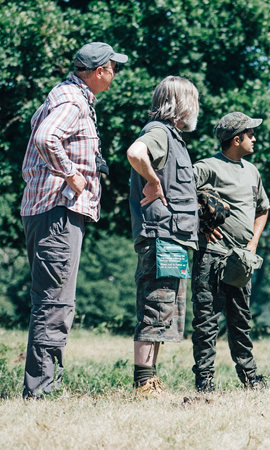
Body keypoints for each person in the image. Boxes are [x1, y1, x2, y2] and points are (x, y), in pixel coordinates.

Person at [19, 42, 127, 399]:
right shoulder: (73, 100)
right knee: (56, 302)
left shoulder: (69, 95)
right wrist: (70, 174)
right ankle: (42, 392)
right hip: (58, 212)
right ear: (99, 71)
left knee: (50, 299)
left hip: (49, 210)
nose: (115, 74)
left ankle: (42, 386)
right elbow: (46, 136)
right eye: (114, 68)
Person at [125, 76, 201, 394]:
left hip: (173, 237)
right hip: (162, 236)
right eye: (193, 101)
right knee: (155, 305)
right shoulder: (158, 133)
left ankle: (151, 378)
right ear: (180, 103)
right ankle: (143, 382)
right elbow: (135, 152)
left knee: (165, 310)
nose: (196, 109)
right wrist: (153, 181)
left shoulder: (173, 138)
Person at [190, 112, 270, 392]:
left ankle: (250, 378)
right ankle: (204, 381)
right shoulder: (207, 166)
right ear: (236, 139)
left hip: (241, 258)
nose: (254, 139)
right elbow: (178, 193)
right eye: (250, 135)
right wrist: (200, 225)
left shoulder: (252, 171)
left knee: (241, 320)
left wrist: (254, 243)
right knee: (206, 321)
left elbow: (263, 209)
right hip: (211, 254)